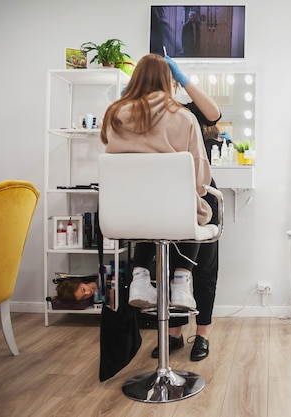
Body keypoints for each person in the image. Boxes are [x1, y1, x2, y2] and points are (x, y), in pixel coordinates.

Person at [100, 53, 212, 357]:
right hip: (174, 218)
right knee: (199, 206)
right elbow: (201, 178)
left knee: (150, 219)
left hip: (127, 217)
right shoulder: (183, 117)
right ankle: (181, 278)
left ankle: (139, 275)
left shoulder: (114, 114)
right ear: (169, 80)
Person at [150, 54, 223, 361]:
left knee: (204, 268)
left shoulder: (188, 110)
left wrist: (183, 78)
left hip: (200, 192)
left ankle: (202, 334)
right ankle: (174, 333)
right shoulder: (147, 115)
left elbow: (214, 112)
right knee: (170, 263)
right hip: (164, 196)